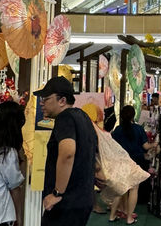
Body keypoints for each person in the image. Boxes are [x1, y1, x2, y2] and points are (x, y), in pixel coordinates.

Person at [34, 77, 97, 226]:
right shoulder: (83, 117)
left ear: (62, 101)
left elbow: (68, 152)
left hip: (66, 201)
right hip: (83, 198)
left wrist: (57, 193)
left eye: (46, 98)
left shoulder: (65, 118)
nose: (42, 103)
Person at [110, 105, 157, 224]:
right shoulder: (138, 129)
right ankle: (129, 217)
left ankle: (113, 215)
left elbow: (113, 146)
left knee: (121, 189)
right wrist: (154, 145)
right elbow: (145, 146)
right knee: (134, 189)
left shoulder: (118, 130)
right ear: (133, 115)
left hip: (121, 162)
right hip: (136, 161)